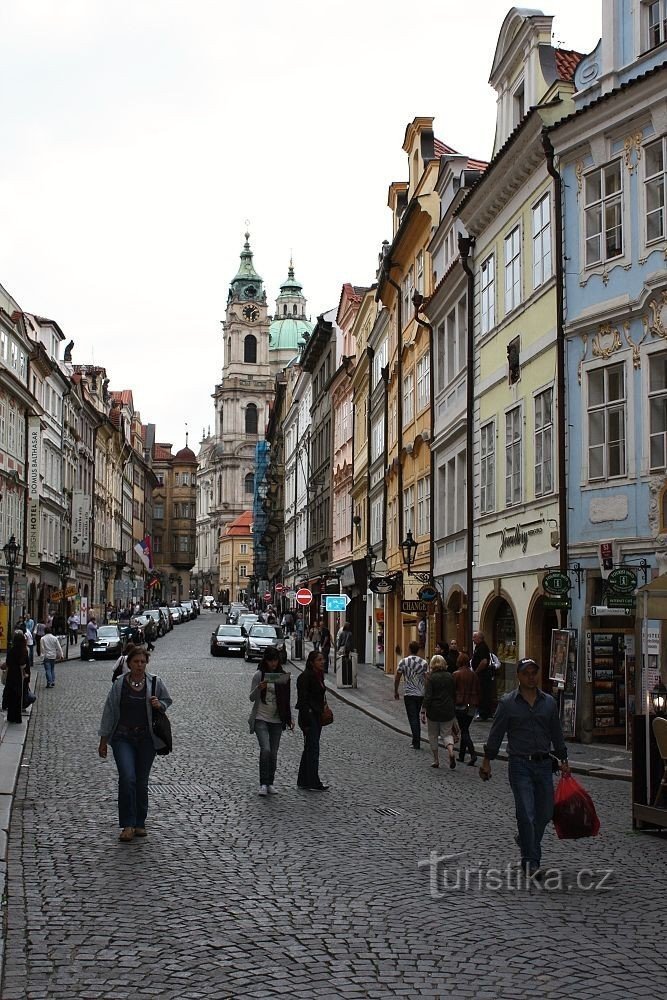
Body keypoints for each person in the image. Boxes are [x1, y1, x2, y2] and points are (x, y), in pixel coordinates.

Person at [480, 657, 570, 877]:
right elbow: (497, 733)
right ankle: (531, 861)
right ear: (519, 676)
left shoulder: (548, 702)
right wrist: (487, 760)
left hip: (544, 765)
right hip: (520, 764)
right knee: (526, 813)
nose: (531, 677)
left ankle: (525, 839)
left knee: (546, 812)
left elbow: (556, 733)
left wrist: (563, 759)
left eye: (534, 672)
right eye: (526, 673)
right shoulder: (508, 703)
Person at [98, 645, 172, 842]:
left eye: (143, 662)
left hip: (147, 739)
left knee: (141, 781)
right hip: (123, 738)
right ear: (129, 663)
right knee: (127, 777)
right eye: (136, 662)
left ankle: (140, 822)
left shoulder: (155, 682)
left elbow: (167, 700)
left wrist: (160, 705)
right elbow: (109, 712)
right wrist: (103, 740)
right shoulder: (120, 684)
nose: (139, 665)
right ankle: (128, 824)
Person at [248, 646, 294, 796]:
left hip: (276, 719)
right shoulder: (259, 675)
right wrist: (259, 689)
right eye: (271, 661)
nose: (273, 664)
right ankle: (263, 783)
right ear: (266, 661)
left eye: (275, 661)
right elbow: (251, 698)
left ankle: (270, 783)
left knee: (273, 753)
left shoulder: (281, 676)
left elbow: (286, 699)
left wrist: (289, 717)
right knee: (266, 750)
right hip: (261, 717)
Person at [295, 650, 328, 790]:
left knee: (309, 748)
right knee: (313, 749)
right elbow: (302, 701)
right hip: (309, 716)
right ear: (311, 662)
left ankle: (303, 780)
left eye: (323, 659)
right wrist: (306, 722)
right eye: (319, 660)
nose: (323, 662)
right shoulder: (305, 677)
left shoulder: (319, 676)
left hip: (317, 715)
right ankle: (314, 781)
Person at [421, 654, 458, 769]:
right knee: (446, 734)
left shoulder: (431, 678)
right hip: (448, 709)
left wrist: (423, 710)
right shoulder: (450, 676)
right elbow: (454, 693)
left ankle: (436, 760)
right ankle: (451, 752)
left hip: (434, 710)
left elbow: (428, 696)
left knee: (433, 735)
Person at [394, 640, 428, 750]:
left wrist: (396, 691)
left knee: (413, 717)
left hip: (409, 693)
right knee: (416, 716)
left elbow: (397, 677)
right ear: (418, 649)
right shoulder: (423, 663)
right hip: (421, 693)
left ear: (409, 649)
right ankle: (416, 739)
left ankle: (416, 741)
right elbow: (427, 679)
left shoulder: (403, 662)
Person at [453, 650, 480, 765]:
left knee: (464, 730)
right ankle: (462, 755)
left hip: (461, 705)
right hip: (472, 705)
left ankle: (473, 754)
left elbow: (452, 690)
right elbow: (478, 689)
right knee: (465, 729)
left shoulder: (456, 674)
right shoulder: (473, 674)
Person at [2, 632, 29, 723]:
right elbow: (25, 664)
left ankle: (11, 716)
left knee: (11, 695)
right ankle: (17, 717)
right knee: (18, 696)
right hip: (19, 675)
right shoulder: (24, 651)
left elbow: (8, 662)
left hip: (11, 675)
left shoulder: (11, 650)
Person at [472, 630, 494, 720]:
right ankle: (485, 712)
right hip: (481, 673)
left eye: (474, 637)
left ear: (479, 638)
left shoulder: (482, 647)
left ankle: (484, 713)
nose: (473, 639)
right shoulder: (478, 647)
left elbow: (484, 662)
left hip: (483, 674)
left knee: (483, 693)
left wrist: (476, 672)